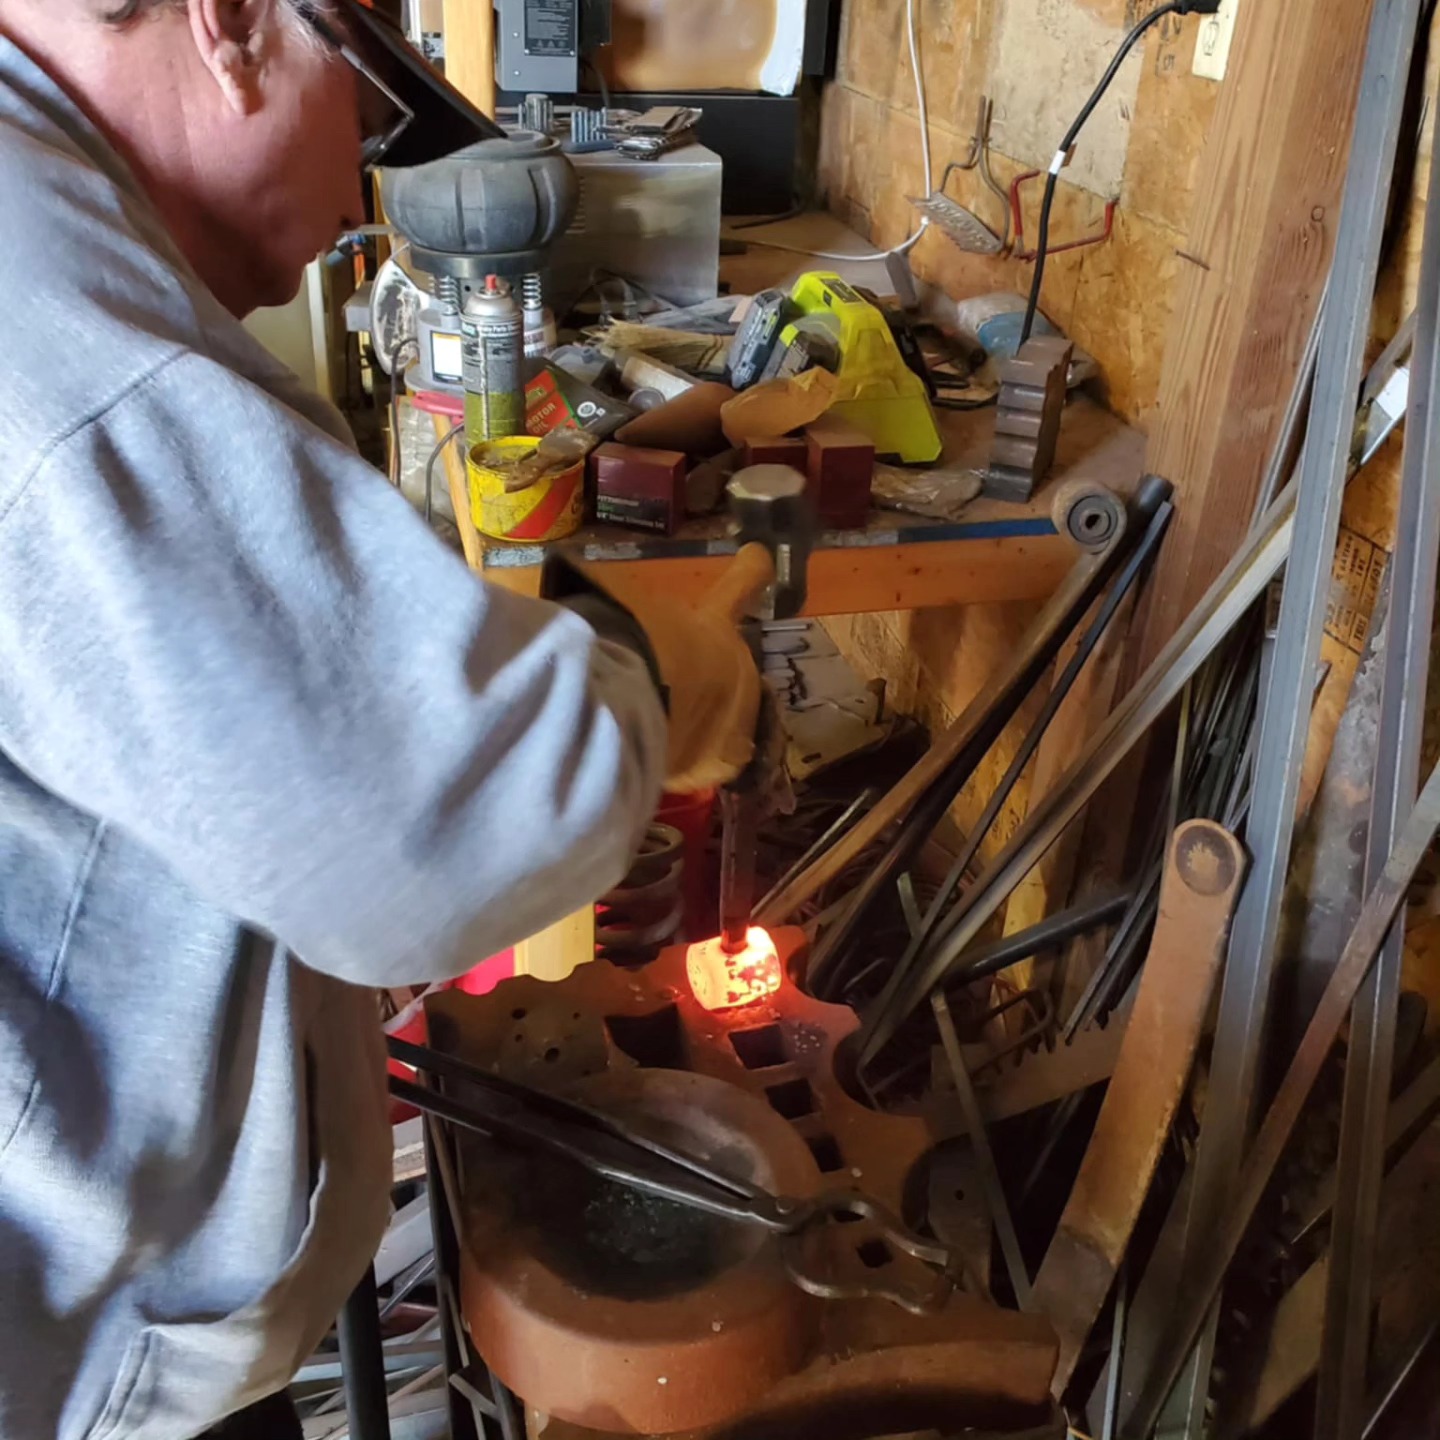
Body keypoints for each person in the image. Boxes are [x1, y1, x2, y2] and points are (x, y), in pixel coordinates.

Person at [0, 3, 762, 1437]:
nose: (362, 187)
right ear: (231, 26)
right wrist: (655, 676)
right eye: (364, 105)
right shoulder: (36, 300)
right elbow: (440, 832)